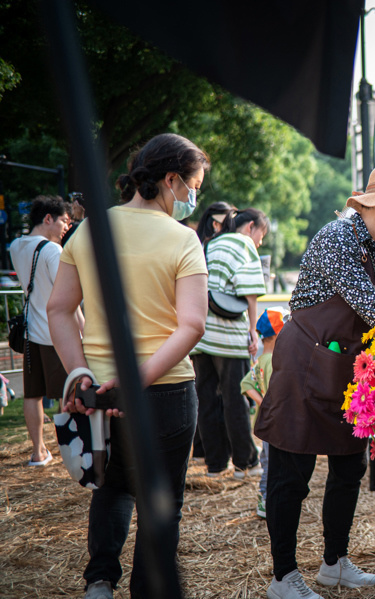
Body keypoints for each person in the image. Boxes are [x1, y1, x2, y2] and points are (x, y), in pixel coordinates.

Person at [255, 163, 375, 599]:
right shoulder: (337, 237)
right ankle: (283, 577)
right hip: (305, 363)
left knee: (349, 466)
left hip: (347, 368)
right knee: (291, 473)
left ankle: (334, 563)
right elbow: (373, 307)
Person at [47, 133, 209, 599]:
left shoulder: (89, 229)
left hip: (98, 389)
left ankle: (99, 582)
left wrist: (78, 372)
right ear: (171, 180)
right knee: (162, 503)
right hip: (165, 392)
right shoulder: (184, 238)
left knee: (111, 486)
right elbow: (192, 325)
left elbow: (58, 309)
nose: (193, 198)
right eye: (193, 185)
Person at [192, 208, 269, 478]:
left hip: (201, 334)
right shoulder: (244, 243)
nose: (259, 242)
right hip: (228, 336)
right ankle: (245, 463)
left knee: (207, 399)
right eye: (261, 235)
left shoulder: (212, 243)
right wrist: (252, 330)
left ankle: (215, 464)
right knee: (235, 398)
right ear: (250, 227)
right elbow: (250, 292)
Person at [10, 195, 76, 466]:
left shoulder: (16, 246)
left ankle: (38, 452)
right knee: (68, 393)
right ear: (48, 219)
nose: (66, 228)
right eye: (63, 221)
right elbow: (67, 297)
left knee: (32, 394)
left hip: (30, 334)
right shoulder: (53, 251)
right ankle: (72, 450)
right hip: (56, 332)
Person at [189, 201, 235, 463]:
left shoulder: (196, 244)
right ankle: (220, 457)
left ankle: (208, 457)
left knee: (203, 395)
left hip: (195, 333)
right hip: (219, 331)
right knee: (223, 397)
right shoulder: (221, 246)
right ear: (217, 223)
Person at [239, 308, 287, 519]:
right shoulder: (275, 363)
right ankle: (269, 501)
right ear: (278, 335)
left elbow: (245, 384)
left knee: (267, 461)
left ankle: (264, 499)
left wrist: (261, 402)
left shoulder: (260, 361)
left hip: (264, 422)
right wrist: (269, 403)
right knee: (274, 465)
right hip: (276, 424)